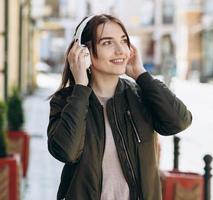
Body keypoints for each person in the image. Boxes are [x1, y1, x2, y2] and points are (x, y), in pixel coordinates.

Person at [47, 14, 192, 200]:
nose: (120, 50)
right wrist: (81, 89)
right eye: (107, 43)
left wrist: (141, 75)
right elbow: (66, 151)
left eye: (124, 41)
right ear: (84, 52)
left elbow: (179, 121)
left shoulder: (140, 96)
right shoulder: (66, 101)